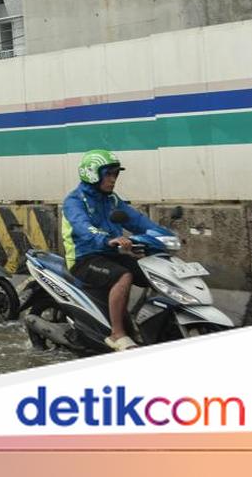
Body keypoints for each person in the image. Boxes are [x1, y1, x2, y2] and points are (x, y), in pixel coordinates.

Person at [63, 149, 158, 352]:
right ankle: (117, 334)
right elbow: (83, 227)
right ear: (92, 174)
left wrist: (162, 234)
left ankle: (144, 325)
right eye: (108, 174)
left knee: (154, 271)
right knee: (124, 275)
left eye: (115, 174)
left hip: (110, 254)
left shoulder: (112, 200)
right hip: (84, 259)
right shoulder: (75, 201)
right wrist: (107, 240)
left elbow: (137, 220)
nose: (113, 179)